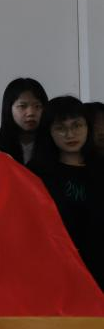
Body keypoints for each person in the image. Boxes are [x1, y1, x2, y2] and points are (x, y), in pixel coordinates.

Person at [31, 96, 103, 287]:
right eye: (60, 128)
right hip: (58, 271)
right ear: (49, 132)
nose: (70, 134)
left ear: (87, 127)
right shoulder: (36, 174)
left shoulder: (100, 167)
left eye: (77, 125)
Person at [0, 78, 48, 166]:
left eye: (37, 106)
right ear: (9, 109)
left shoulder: (55, 143)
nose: (31, 113)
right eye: (22, 106)